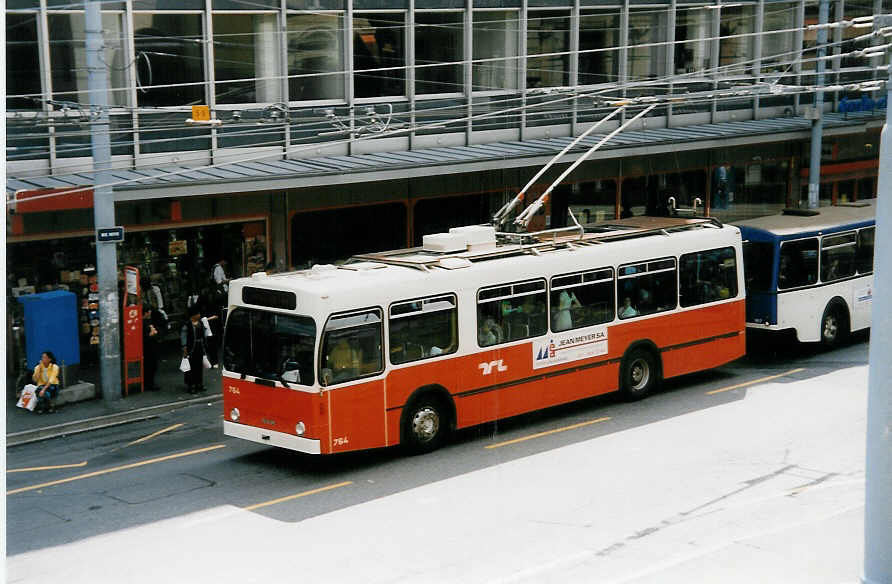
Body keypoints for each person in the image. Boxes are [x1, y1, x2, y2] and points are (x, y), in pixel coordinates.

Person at [181, 305, 209, 394]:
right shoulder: (187, 325)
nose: (199, 315)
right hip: (191, 348)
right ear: (193, 315)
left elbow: (204, 334)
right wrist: (184, 348)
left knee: (199, 366)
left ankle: (199, 383)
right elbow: (183, 337)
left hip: (199, 347)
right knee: (191, 367)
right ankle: (191, 385)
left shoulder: (200, 323)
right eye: (197, 314)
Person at [142, 304, 162, 391]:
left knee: (150, 366)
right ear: (146, 313)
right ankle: (150, 383)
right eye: (149, 312)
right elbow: (148, 335)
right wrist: (152, 333)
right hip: (149, 346)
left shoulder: (146, 321)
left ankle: (149, 383)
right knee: (151, 365)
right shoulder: (144, 323)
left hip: (149, 346)